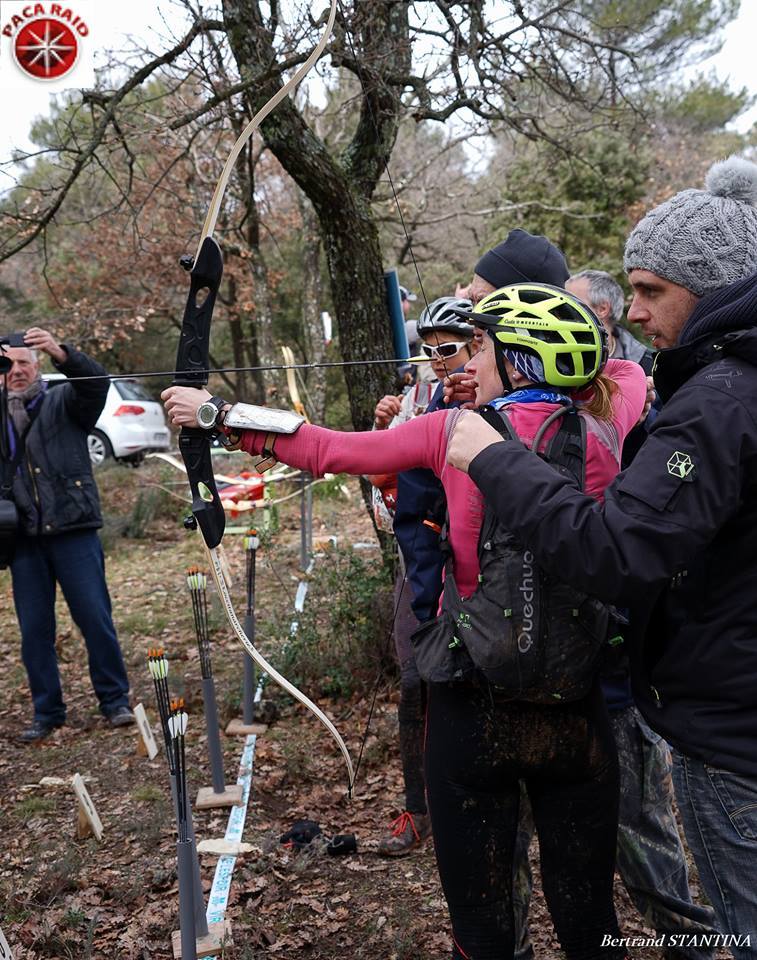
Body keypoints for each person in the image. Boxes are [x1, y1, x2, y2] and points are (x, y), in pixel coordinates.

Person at [162, 285, 647, 960]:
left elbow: (330, 450)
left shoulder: (455, 433)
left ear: (518, 360)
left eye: (481, 348)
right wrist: (550, 361)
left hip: (473, 705)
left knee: (481, 928)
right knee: (591, 920)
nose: (466, 362)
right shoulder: (609, 423)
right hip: (575, 703)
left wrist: (217, 416)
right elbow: (621, 371)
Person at [445, 155, 757, 956]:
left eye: (650, 290)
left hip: (730, 732)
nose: (633, 310)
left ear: (712, 286)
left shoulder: (718, 399)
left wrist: (492, 457)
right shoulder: (716, 386)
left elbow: (618, 549)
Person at [370, 296, 475, 856]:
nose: (436, 360)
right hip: (422, 567)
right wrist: (382, 435)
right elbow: (387, 510)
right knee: (415, 683)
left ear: (479, 345)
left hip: (479, 574)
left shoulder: (502, 394)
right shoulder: (418, 402)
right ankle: (419, 806)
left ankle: (473, 798)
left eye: (448, 348)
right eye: (427, 350)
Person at [1, 328, 134, 742]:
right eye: (7, 364)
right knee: (34, 630)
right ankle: (47, 712)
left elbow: (97, 383)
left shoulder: (65, 400)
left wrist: (62, 352)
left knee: (94, 618)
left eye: (24, 362)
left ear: (37, 364)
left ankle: (115, 701)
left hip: (74, 531)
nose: (16, 371)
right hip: (24, 539)